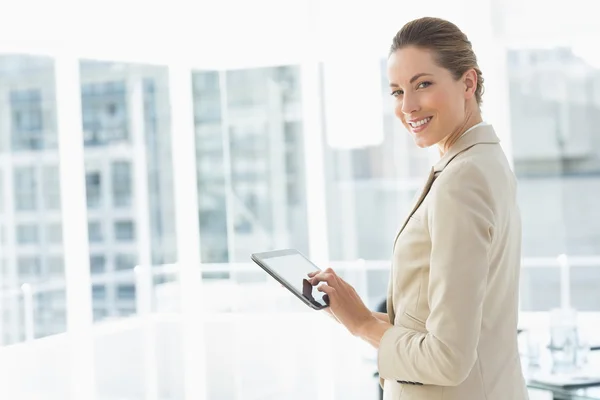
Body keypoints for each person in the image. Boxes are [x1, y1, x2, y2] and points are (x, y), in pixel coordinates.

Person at [307, 17, 529, 400]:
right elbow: (443, 331)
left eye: (423, 84)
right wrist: (348, 310)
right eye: (396, 91)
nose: (408, 106)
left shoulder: (462, 180)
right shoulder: (481, 162)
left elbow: (448, 358)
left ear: (468, 83)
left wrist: (362, 324)